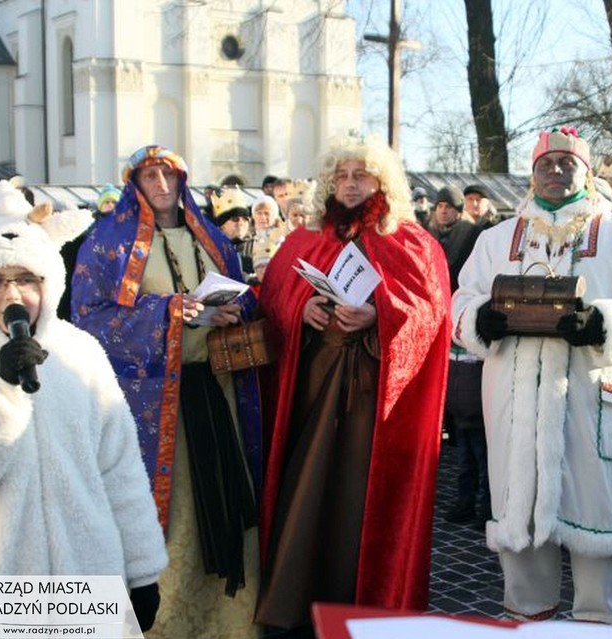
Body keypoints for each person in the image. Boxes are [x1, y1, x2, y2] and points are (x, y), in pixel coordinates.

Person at [452, 127, 612, 624]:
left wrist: (606, 322)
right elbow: (461, 301)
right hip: (515, 411)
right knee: (521, 539)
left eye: (566, 162)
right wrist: (477, 319)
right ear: (531, 173)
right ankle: (527, 625)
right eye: (545, 163)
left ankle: (601, 628)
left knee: (598, 540)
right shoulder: (495, 239)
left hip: (591, 409)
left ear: (587, 171)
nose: (555, 171)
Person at [0, 180, 167, 631]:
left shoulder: (81, 351)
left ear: (49, 281)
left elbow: (119, 470)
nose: (11, 295)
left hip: (84, 585)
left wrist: (142, 570)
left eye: (25, 279)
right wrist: (0, 392)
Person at [256, 135, 451, 636]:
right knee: (308, 491)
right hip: (314, 388)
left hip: (374, 399)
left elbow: (432, 314)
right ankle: (297, 603)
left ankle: (363, 606)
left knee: (359, 501)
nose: (349, 184)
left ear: (381, 181)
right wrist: (302, 308)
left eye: (360, 175)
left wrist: (379, 314)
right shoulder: (307, 238)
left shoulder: (411, 241)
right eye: (341, 175)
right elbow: (274, 293)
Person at [71, 145, 262, 639]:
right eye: (149, 175)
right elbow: (90, 320)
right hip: (157, 402)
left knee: (224, 504)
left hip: (216, 391)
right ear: (134, 182)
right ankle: (166, 627)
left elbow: (244, 297)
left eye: (168, 174)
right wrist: (168, 313)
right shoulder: (107, 245)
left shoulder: (214, 240)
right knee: (173, 519)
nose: (160, 184)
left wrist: (231, 312)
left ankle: (230, 624)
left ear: (182, 180)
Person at [426, 185, 488, 527]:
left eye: (450, 206)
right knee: (465, 449)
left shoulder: (473, 236)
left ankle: (485, 505)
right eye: (440, 206)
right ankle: (468, 501)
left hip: (473, 350)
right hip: (451, 342)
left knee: (481, 449)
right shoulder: (430, 236)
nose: (444, 211)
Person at [211, 185, 254, 273]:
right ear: (222, 225)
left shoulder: (257, 245)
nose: (241, 222)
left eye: (245, 218)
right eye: (235, 219)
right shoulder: (213, 248)